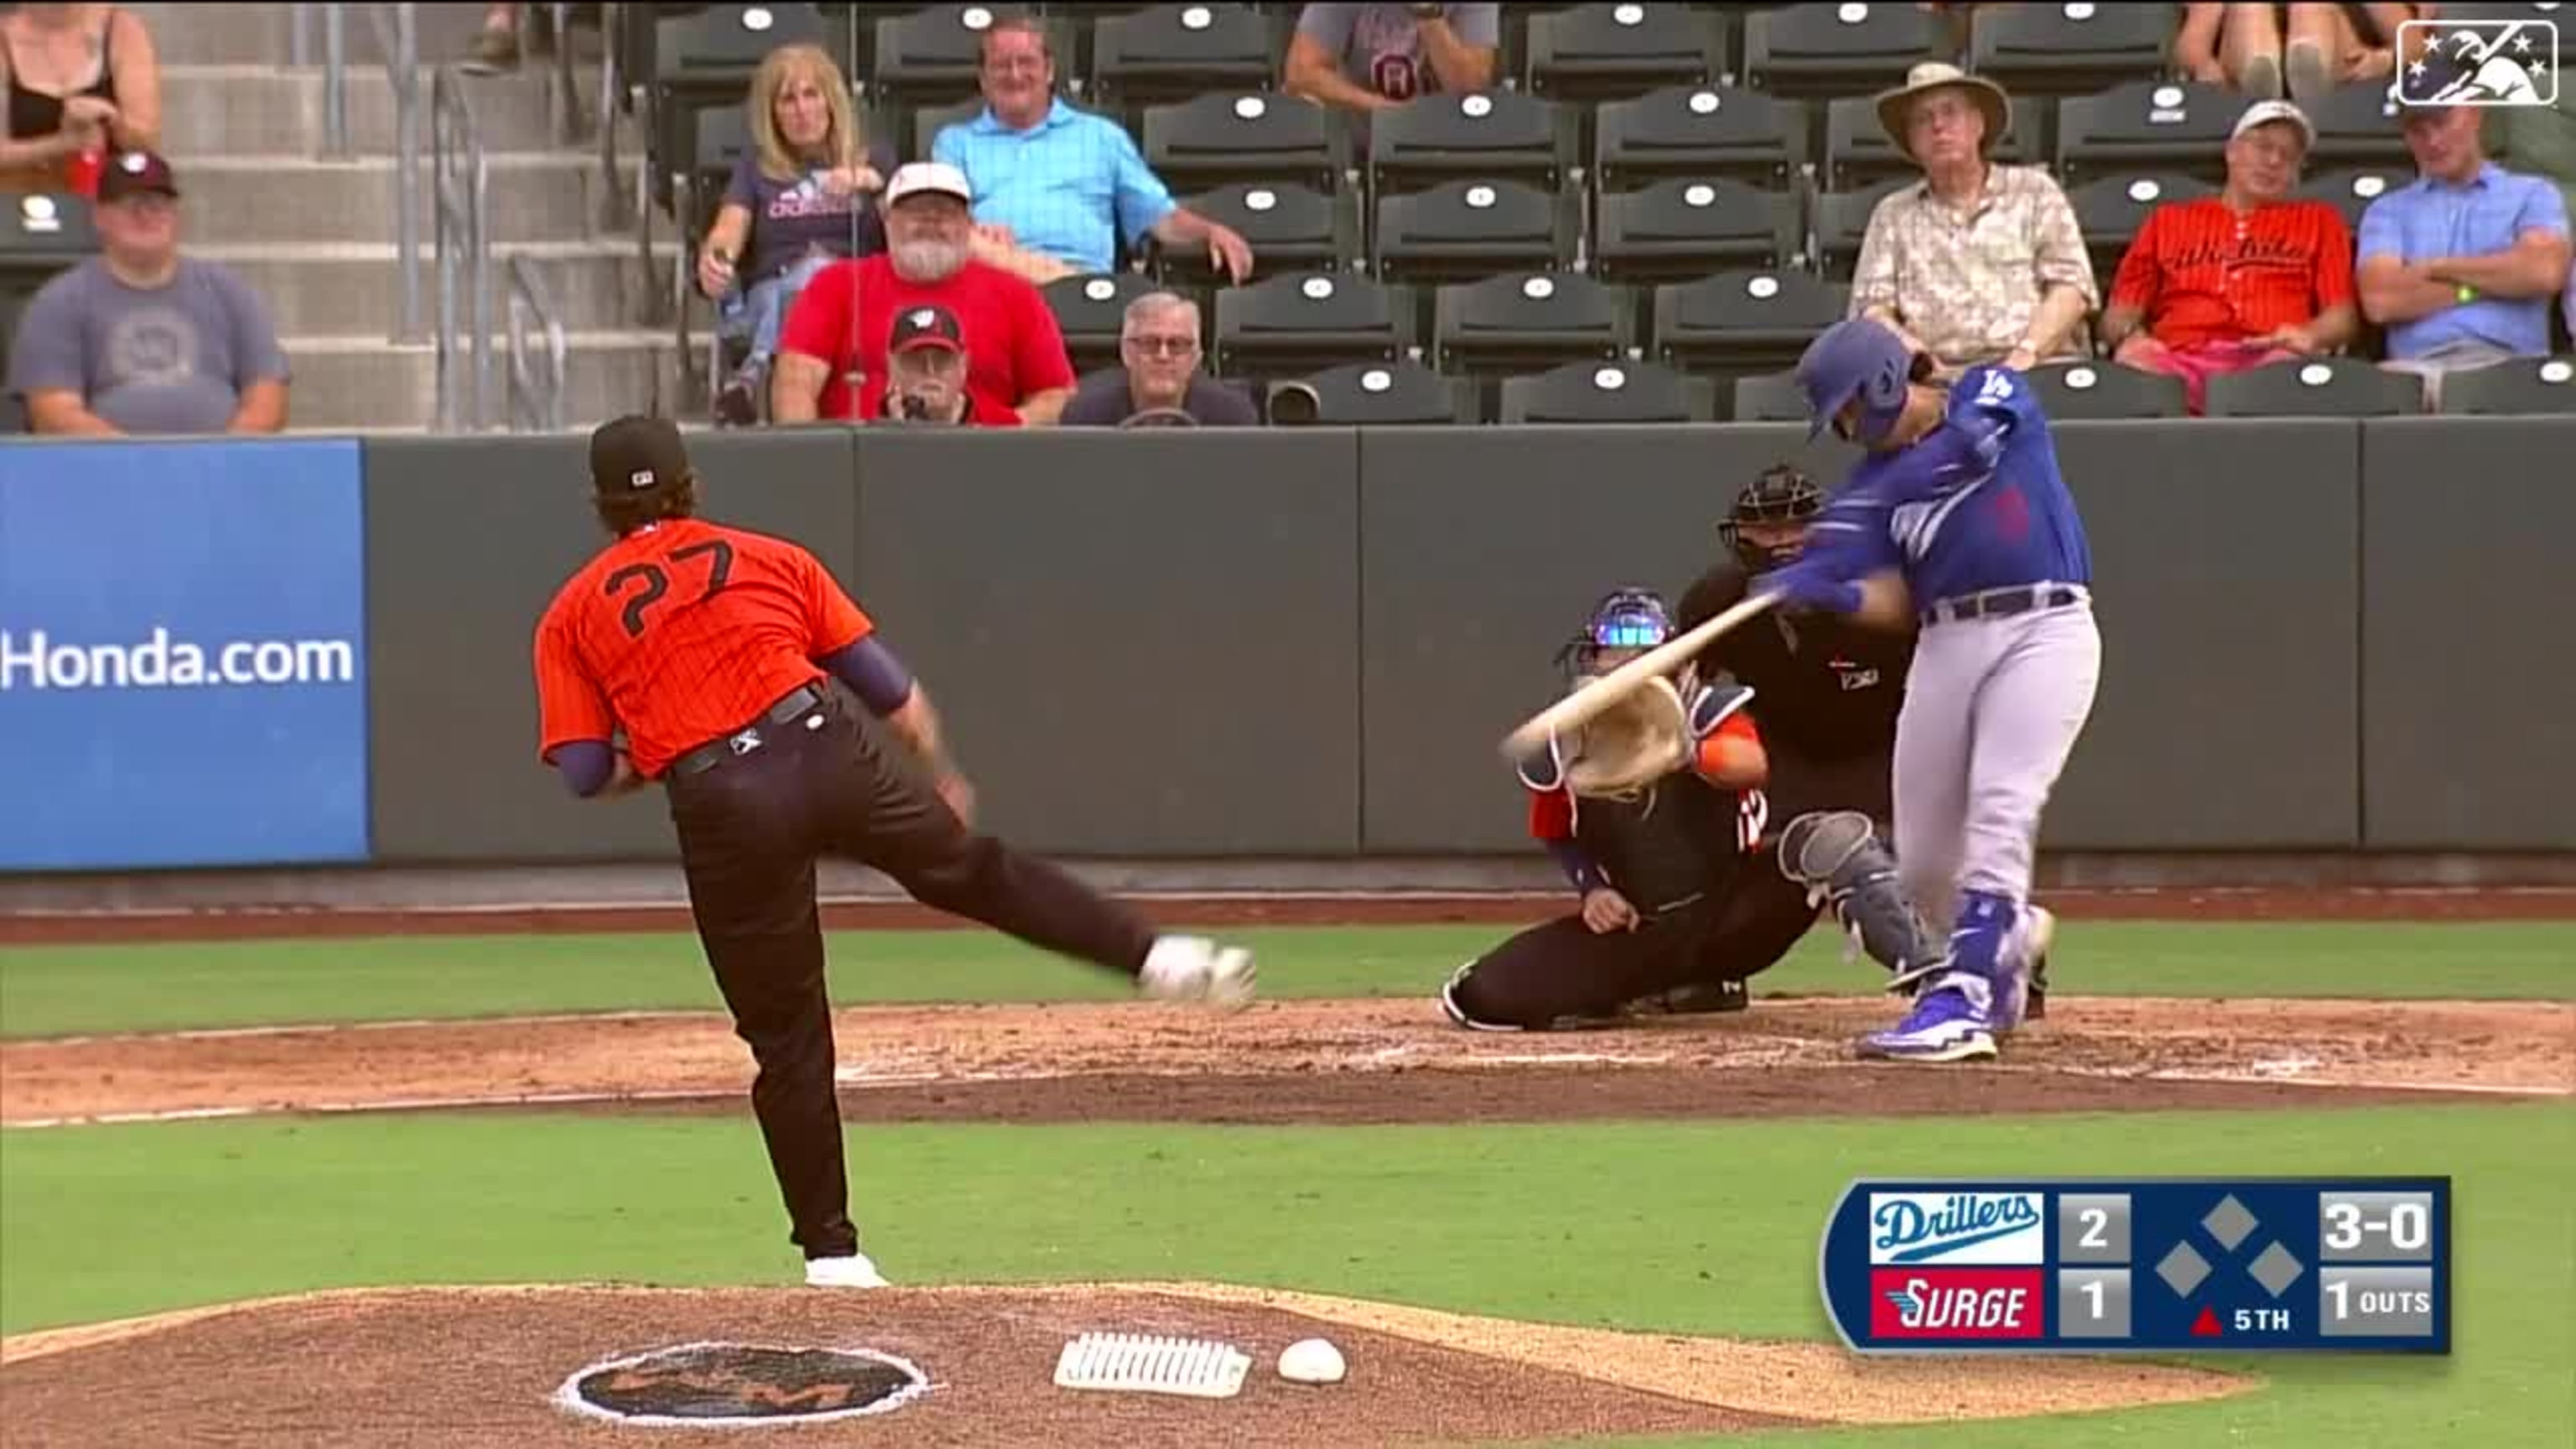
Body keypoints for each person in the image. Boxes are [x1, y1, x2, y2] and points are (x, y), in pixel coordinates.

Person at [532, 416, 1257, 1286]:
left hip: (720, 799)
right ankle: (1158, 957)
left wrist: (667, 748)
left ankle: (835, 1257)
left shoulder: (571, 613)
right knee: (975, 872)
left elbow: (580, 771)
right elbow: (892, 693)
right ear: (694, 487)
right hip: (822, 746)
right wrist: (938, 776)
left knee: (789, 1035)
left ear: (600, 507)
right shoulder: (771, 556)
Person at [1758, 318, 2098, 1064]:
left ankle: (1966, 1001)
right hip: (1947, 639)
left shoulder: (1987, 391)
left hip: (2044, 626)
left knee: (2003, 806)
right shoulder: (1872, 488)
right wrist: (1834, 591)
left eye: (1849, 407)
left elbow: (1968, 445)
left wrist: (1858, 516)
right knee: (1924, 864)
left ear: (1883, 379)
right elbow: (1895, 602)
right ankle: (2004, 947)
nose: (1848, 428)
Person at [1438, 589, 1781, 1031]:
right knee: (1479, 996)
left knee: (1827, 842)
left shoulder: (1706, 712)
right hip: (1643, 924)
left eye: (1642, 655)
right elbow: (1555, 830)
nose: (1624, 665)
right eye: (1612, 653)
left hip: (1734, 909)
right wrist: (1594, 889)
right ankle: (1650, 984)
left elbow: (1751, 768)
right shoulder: (1569, 738)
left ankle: (1903, 981)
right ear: (1593, 660)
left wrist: (1682, 750)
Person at [929, 17, 1254, 285]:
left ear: (1050, 70)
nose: (1015, 75)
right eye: (1001, 65)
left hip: (1084, 289)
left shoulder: (1101, 137)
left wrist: (1209, 231)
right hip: (994, 286)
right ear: (983, 79)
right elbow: (944, 221)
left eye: (1026, 62)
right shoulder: (955, 143)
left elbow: (1159, 217)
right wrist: (974, 228)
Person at [2101, 100, 2360, 415]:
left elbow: (2342, 317)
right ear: (2232, 151)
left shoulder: (2319, 221)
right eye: (2263, 147)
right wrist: (2133, 337)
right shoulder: (2167, 221)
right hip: (2178, 358)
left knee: (2286, 375)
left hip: (2270, 355)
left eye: (2289, 156)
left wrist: (2309, 334)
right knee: (2135, 367)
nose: (2274, 160)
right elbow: (2119, 312)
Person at [6, 149, 290, 436]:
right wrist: (140, 462)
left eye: (157, 204)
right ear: (99, 217)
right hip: (107, 472)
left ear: (176, 215)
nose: (145, 215)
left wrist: (219, 458)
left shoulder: (229, 291)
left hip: (220, 469)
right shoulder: (59, 301)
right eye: (129, 205)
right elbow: (55, 413)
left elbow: (266, 394)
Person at [771, 162, 1078, 426]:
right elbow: (795, 383)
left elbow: (1056, 395)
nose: (931, 222)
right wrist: (816, 463)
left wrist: (1003, 430)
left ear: (969, 225)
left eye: (945, 213)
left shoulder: (1016, 295)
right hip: (860, 466)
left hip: (983, 461)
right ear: (887, 220)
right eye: (916, 212)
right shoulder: (835, 284)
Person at [1848, 62, 2096, 378]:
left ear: (1978, 124)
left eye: (1950, 112)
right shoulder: (1892, 214)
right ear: (1911, 140)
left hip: (2038, 370)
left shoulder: (2035, 192)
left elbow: (2071, 290)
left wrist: (2025, 355)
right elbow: (1872, 311)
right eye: (1923, 119)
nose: (1938, 126)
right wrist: (1917, 358)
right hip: (1937, 382)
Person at [694, 43, 894, 427]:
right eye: (788, 99)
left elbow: (906, 214)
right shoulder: (756, 170)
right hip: (771, 295)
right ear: (772, 114)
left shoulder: (874, 158)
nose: (802, 110)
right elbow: (730, 227)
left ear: (831, 100)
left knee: (819, 274)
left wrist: (870, 181)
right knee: (800, 286)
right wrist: (716, 259)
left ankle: (752, 377)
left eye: (810, 95)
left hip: (858, 301)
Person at [2358, 101, 2571, 409]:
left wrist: (2434, 268)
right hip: (2413, 372)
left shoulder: (2533, 193)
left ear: (2474, 115)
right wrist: (2488, 280)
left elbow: (2543, 273)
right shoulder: (2388, 209)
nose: (2433, 141)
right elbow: (2381, 301)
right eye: (2418, 130)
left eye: (2442, 122)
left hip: (2511, 365)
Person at [0, 3, 160, 195]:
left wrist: (108, 118)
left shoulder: (120, 29)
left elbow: (143, 140)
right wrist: (63, 144)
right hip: (24, 198)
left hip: (108, 199)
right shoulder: (5, 37)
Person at [1058, 292, 1259, 428]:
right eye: (1149, 343)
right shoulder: (1085, 413)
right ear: (1126, 352)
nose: (1163, 356)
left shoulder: (1233, 416)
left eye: (1177, 344)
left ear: (1196, 357)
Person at [1282, 3, 1500, 114]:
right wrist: (1385, 113)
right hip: (1356, 141)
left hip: (1442, 140)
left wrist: (1426, 12)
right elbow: (1301, 74)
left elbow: (1471, 91)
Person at [872, 303, 1013, 427]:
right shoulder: (865, 434)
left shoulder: (1000, 427)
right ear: (892, 366)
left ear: (963, 365)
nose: (930, 370)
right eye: (915, 360)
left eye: (943, 360)